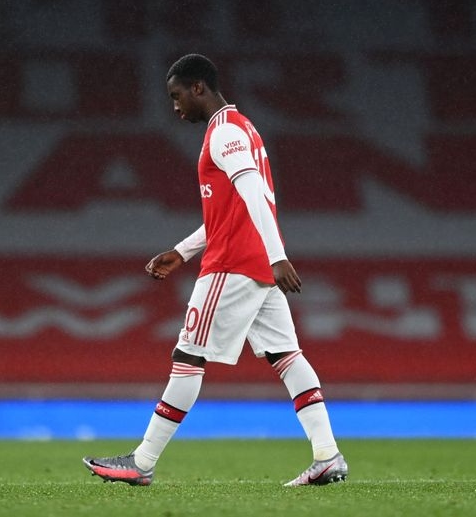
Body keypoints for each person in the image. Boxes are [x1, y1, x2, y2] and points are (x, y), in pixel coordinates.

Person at [83, 53, 347, 487]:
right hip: (254, 263)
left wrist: (277, 254)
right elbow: (232, 209)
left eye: (176, 95)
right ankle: (327, 455)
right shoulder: (242, 128)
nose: (174, 106)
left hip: (233, 265)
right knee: (287, 357)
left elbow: (253, 193)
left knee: (188, 356)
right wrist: (183, 251)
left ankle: (142, 461)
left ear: (199, 88)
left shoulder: (224, 133)